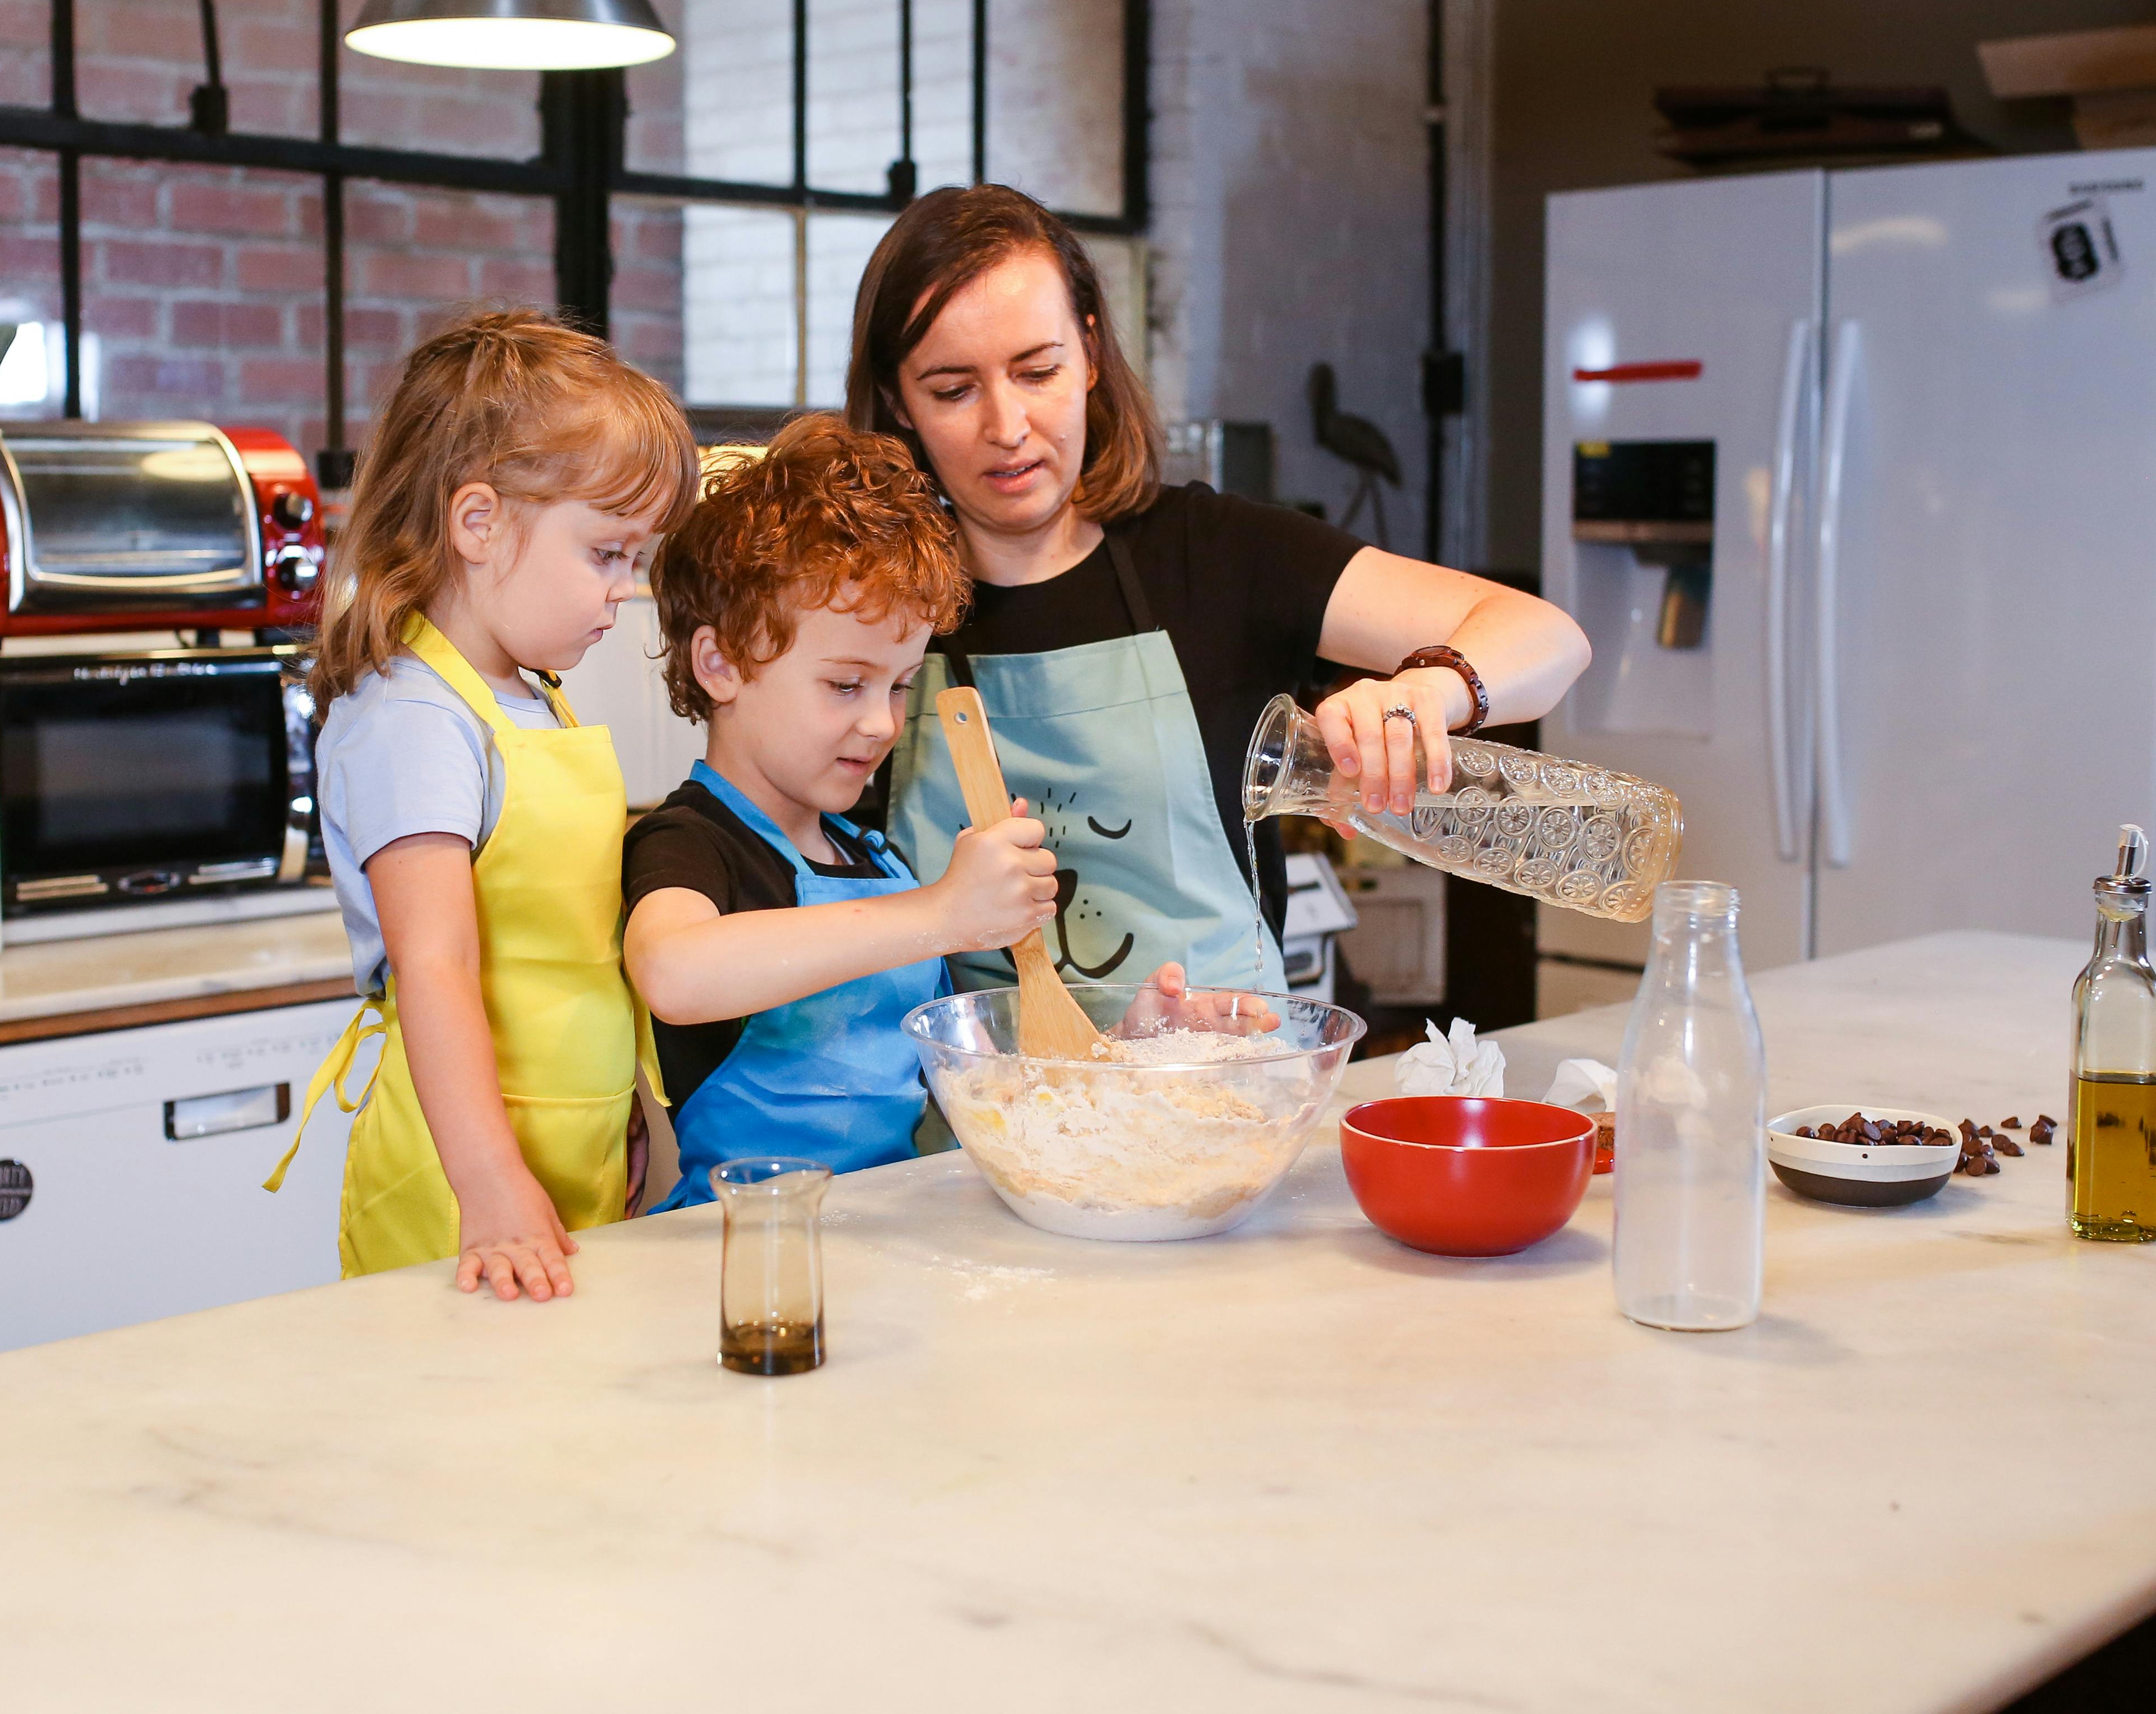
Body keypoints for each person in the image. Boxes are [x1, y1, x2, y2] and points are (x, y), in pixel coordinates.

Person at [847, 185, 1593, 994]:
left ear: (1091, 354)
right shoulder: (863, 606)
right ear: (897, 401)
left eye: (1037, 371)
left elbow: (1549, 638)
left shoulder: (1218, 556)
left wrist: (1428, 689)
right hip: (968, 1107)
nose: (1006, 426)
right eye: (953, 389)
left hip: (1216, 1095)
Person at [266, 309, 696, 1302]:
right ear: (479, 523)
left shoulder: (528, 693)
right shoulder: (414, 714)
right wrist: (492, 1180)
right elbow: (437, 964)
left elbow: (573, 951)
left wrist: (621, 1103)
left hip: (569, 1151)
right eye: (606, 554)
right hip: (459, 1185)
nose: (624, 591)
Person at [619, 416, 1059, 1207]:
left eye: (899, 684)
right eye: (845, 685)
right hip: (733, 1253)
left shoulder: (869, 856)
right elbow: (675, 973)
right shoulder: (689, 842)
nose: (882, 724)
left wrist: (1122, 1036)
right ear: (720, 664)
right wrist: (941, 914)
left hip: (884, 1238)